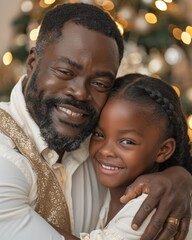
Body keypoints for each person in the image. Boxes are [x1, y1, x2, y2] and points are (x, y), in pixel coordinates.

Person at [0, 3, 191, 240]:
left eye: (100, 84)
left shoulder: (97, 136)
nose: (80, 93)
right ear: (32, 63)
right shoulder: (4, 156)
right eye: (65, 72)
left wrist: (179, 176)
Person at [79, 73, 192, 239]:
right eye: (98, 134)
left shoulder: (151, 207)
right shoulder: (105, 189)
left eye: (127, 141)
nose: (106, 151)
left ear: (163, 150)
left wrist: (26, 213)